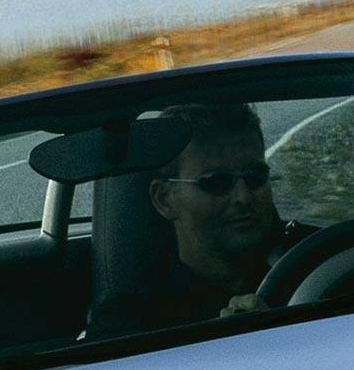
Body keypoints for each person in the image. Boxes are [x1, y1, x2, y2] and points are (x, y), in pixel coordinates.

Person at [86, 102, 303, 337]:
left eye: (255, 176)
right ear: (164, 200)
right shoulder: (129, 321)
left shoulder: (314, 267)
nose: (243, 197)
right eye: (215, 181)